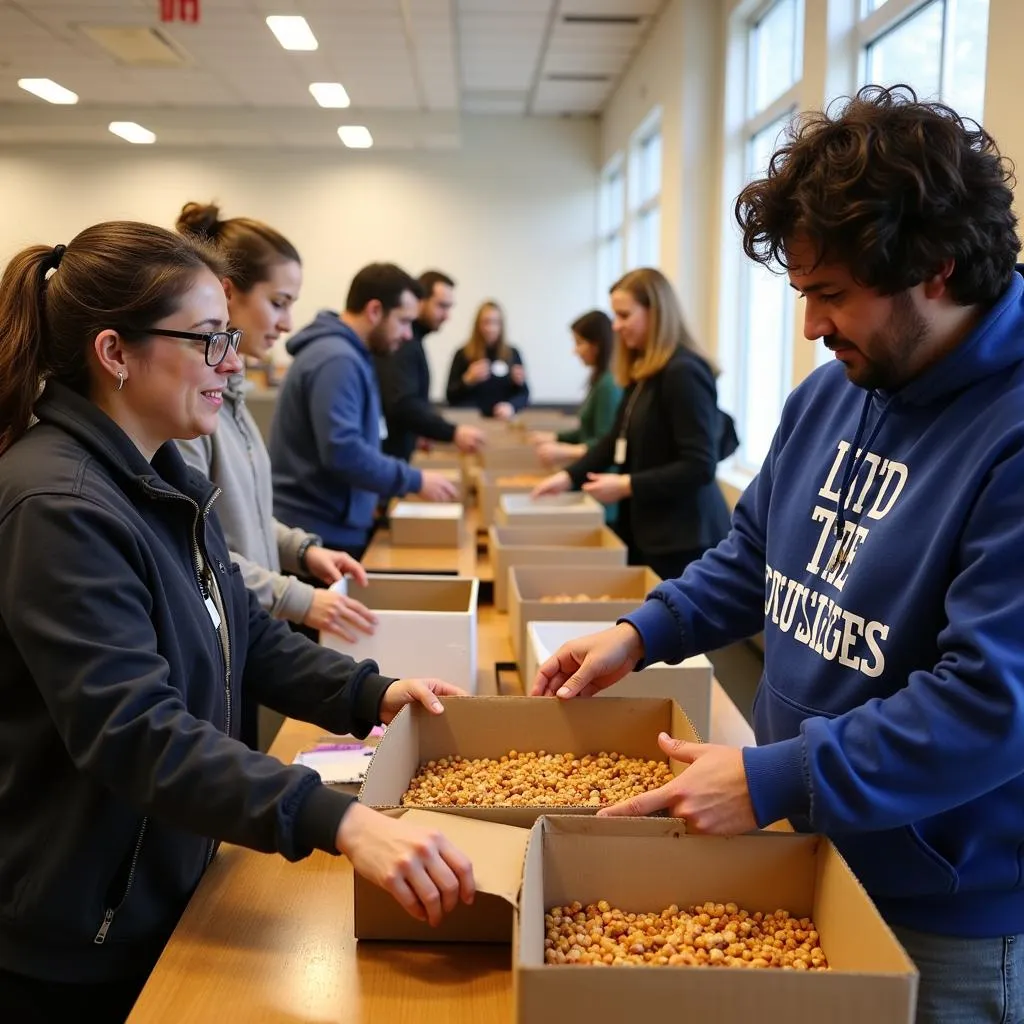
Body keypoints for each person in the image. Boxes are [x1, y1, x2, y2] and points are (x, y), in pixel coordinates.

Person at [532, 85, 1024, 1024]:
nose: (809, 327)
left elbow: (990, 703)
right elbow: (752, 554)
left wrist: (774, 777)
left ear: (937, 269)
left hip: (948, 910)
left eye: (831, 295)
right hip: (813, 833)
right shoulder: (835, 390)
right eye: (802, 295)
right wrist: (644, 632)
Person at [0, 222, 475, 1023]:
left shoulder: (162, 472)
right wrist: (340, 819)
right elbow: (135, 730)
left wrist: (373, 694)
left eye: (231, 336)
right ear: (115, 353)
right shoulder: (59, 506)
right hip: (79, 933)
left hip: (164, 878)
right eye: (210, 340)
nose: (236, 361)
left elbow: (242, 635)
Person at [173, 203, 376, 670]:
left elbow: (244, 519)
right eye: (279, 302)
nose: (286, 323)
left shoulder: (233, 401)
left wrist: (301, 550)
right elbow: (198, 552)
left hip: (249, 629)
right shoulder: (187, 417)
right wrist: (294, 596)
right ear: (227, 294)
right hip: (216, 642)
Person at [532, 269, 731, 580]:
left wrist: (627, 485)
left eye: (624, 315)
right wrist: (567, 476)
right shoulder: (644, 371)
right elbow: (614, 440)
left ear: (656, 312)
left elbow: (699, 465)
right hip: (649, 530)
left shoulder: (684, 372)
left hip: (684, 538)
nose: (616, 326)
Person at [269, 263, 459, 560]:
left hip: (333, 524)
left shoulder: (350, 354)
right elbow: (344, 451)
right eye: (403, 321)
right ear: (374, 311)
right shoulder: (337, 360)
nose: (409, 334)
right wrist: (415, 480)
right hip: (319, 533)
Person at [376, 270, 485, 461]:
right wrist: (452, 432)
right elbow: (402, 403)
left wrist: (420, 432)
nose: (447, 316)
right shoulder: (405, 342)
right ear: (420, 301)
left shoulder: (413, 341)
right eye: (442, 306)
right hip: (387, 459)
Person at [529, 309, 622, 467]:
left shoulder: (608, 385)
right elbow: (586, 433)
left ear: (596, 345)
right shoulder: (599, 380)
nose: (575, 351)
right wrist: (554, 437)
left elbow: (604, 443)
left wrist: (564, 451)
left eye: (579, 343)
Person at [445, 299, 529, 420]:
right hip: (470, 421)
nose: (491, 328)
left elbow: (524, 394)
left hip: (502, 421)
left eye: (495, 322)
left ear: (502, 325)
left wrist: (512, 406)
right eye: (486, 322)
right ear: (477, 325)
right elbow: (450, 396)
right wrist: (467, 380)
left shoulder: (512, 354)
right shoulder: (463, 354)